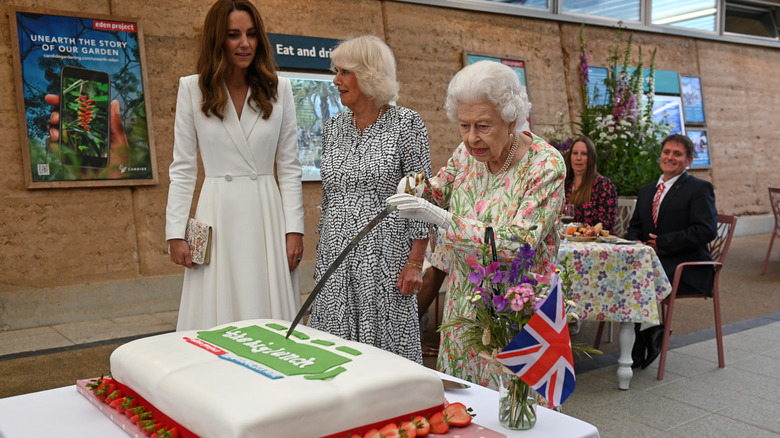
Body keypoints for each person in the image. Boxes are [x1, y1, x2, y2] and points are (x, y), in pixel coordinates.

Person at [388, 60, 566, 388]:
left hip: (516, 307)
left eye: (483, 126)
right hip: (465, 302)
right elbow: (439, 189)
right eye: (464, 126)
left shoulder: (545, 165)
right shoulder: (468, 153)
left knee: (513, 409)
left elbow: (519, 242)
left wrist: (441, 218)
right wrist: (413, 186)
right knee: (463, 402)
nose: (472, 139)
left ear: (511, 119)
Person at [166, 0, 304, 331]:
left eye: (252, 34)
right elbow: (183, 168)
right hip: (216, 211)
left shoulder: (279, 89)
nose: (245, 43)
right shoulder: (192, 88)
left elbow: (289, 167)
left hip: (266, 213)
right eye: (233, 35)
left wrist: (294, 229)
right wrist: (175, 232)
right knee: (215, 315)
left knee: (268, 309)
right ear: (218, 39)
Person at [308, 35, 432, 364]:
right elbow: (330, 194)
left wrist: (416, 262)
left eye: (344, 72)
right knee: (333, 354)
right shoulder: (333, 127)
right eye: (337, 72)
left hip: (385, 261)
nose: (336, 80)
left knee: (384, 359)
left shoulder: (407, 124)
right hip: (335, 258)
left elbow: (419, 196)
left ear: (369, 74)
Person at [625, 133, 718, 368]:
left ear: (688, 161)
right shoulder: (647, 191)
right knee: (622, 274)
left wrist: (663, 242)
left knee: (636, 280)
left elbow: (706, 230)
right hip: (652, 265)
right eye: (666, 152)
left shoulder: (699, 189)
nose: (670, 157)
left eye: (678, 154)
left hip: (687, 267)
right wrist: (637, 243)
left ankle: (641, 342)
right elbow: (634, 228)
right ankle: (648, 333)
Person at [564, 136, 618, 231]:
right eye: (575, 153)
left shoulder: (603, 184)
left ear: (591, 158)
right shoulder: (565, 184)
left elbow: (606, 224)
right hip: (568, 240)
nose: (578, 158)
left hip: (596, 242)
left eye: (584, 154)